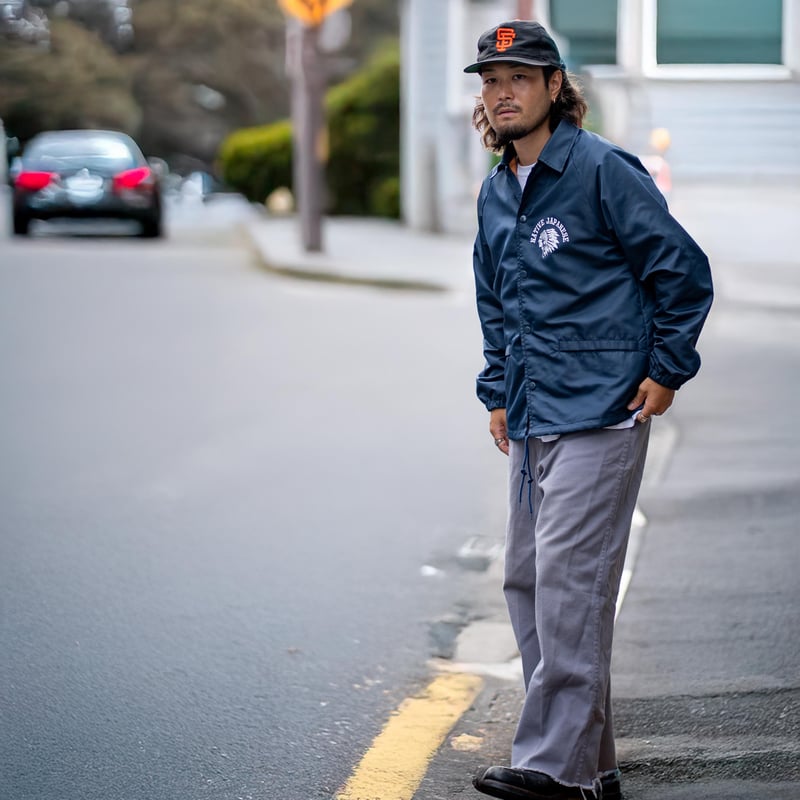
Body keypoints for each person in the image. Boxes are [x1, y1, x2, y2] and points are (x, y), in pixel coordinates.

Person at [464, 20, 713, 800]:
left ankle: (552, 767)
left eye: (518, 77)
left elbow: (682, 271)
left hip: (603, 409)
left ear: (553, 86)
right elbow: (496, 300)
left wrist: (667, 370)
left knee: (570, 586)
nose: (502, 93)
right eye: (490, 80)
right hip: (532, 410)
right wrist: (498, 390)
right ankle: (593, 769)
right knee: (529, 584)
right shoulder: (497, 190)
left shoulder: (603, 169)